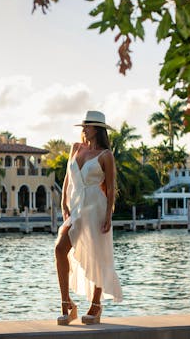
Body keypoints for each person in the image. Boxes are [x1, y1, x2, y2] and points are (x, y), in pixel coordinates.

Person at [55, 110, 123, 325]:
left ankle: (96, 305)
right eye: (83, 126)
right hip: (75, 207)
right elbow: (67, 178)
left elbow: (111, 188)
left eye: (87, 126)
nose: (83, 129)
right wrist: (63, 202)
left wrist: (108, 216)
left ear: (97, 129)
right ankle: (67, 303)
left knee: (98, 256)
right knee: (60, 248)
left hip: (96, 207)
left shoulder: (106, 155)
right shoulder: (76, 148)